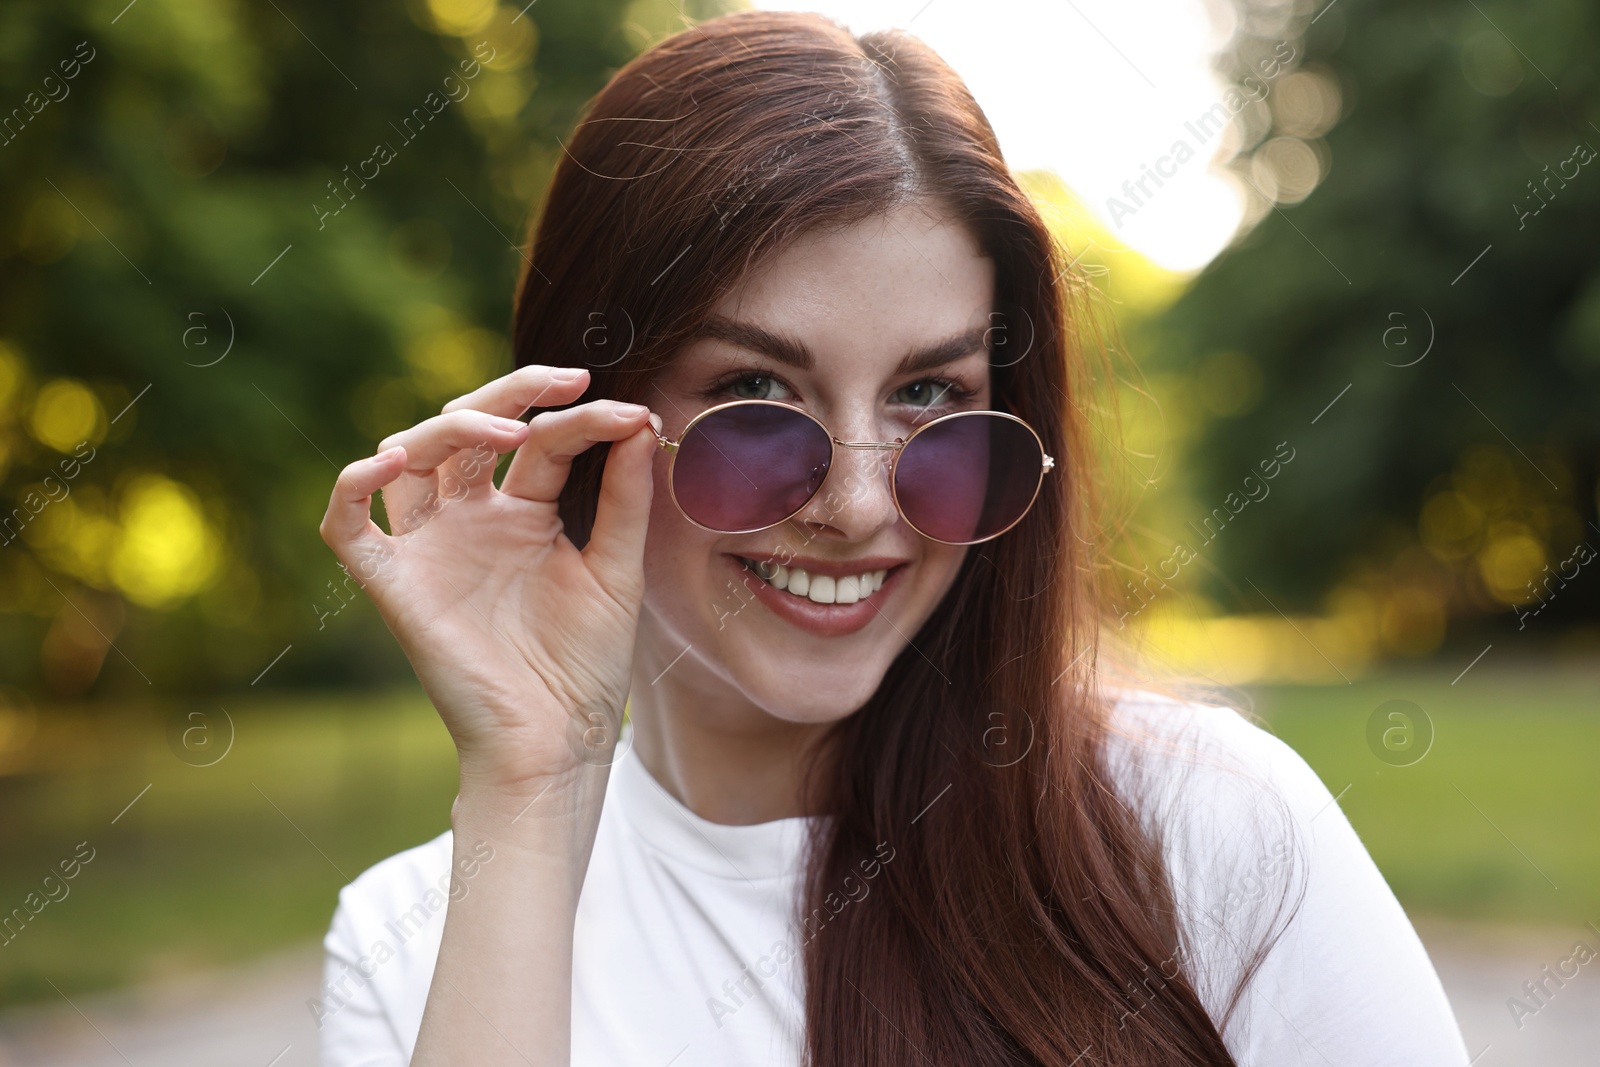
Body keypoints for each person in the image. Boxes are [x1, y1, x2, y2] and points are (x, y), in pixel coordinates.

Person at [315, 10, 1468, 1066]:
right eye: (758, 386)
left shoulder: (1211, 830)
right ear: (580, 416)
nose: (860, 506)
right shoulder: (407, 943)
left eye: (928, 393)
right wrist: (531, 774)